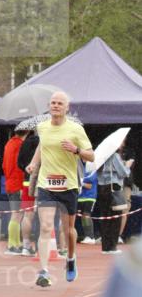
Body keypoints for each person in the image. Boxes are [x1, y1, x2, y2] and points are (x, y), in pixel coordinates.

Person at [27, 91, 94, 287]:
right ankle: (44, 271)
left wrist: (76, 150)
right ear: (49, 106)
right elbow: (42, 146)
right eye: (53, 103)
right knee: (46, 227)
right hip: (46, 184)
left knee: (68, 230)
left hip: (68, 185)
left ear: (67, 108)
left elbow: (91, 156)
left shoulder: (76, 129)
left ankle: (71, 259)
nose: (56, 106)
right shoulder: (42, 127)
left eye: (60, 103)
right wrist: (33, 164)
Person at [97, 145, 131, 254]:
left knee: (105, 217)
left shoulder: (100, 157)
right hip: (113, 187)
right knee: (115, 217)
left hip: (101, 187)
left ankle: (105, 247)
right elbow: (124, 172)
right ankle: (112, 246)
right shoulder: (114, 155)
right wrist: (127, 166)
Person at [2, 128, 28, 254]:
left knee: (16, 214)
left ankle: (16, 243)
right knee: (17, 215)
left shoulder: (9, 144)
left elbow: (5, 165)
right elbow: (20, 167)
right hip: (17, 183)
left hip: (9, 182)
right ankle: (12, 245)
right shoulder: (20, 145)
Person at [76, 167, 98, 244]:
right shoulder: (80, 168)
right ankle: (86, 236)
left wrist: (80, 181)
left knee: (86, 215)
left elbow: (89, 185)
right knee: (82, 217)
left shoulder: (93, 170)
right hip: (79, 197)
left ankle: (90, 236)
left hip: (90, 197)